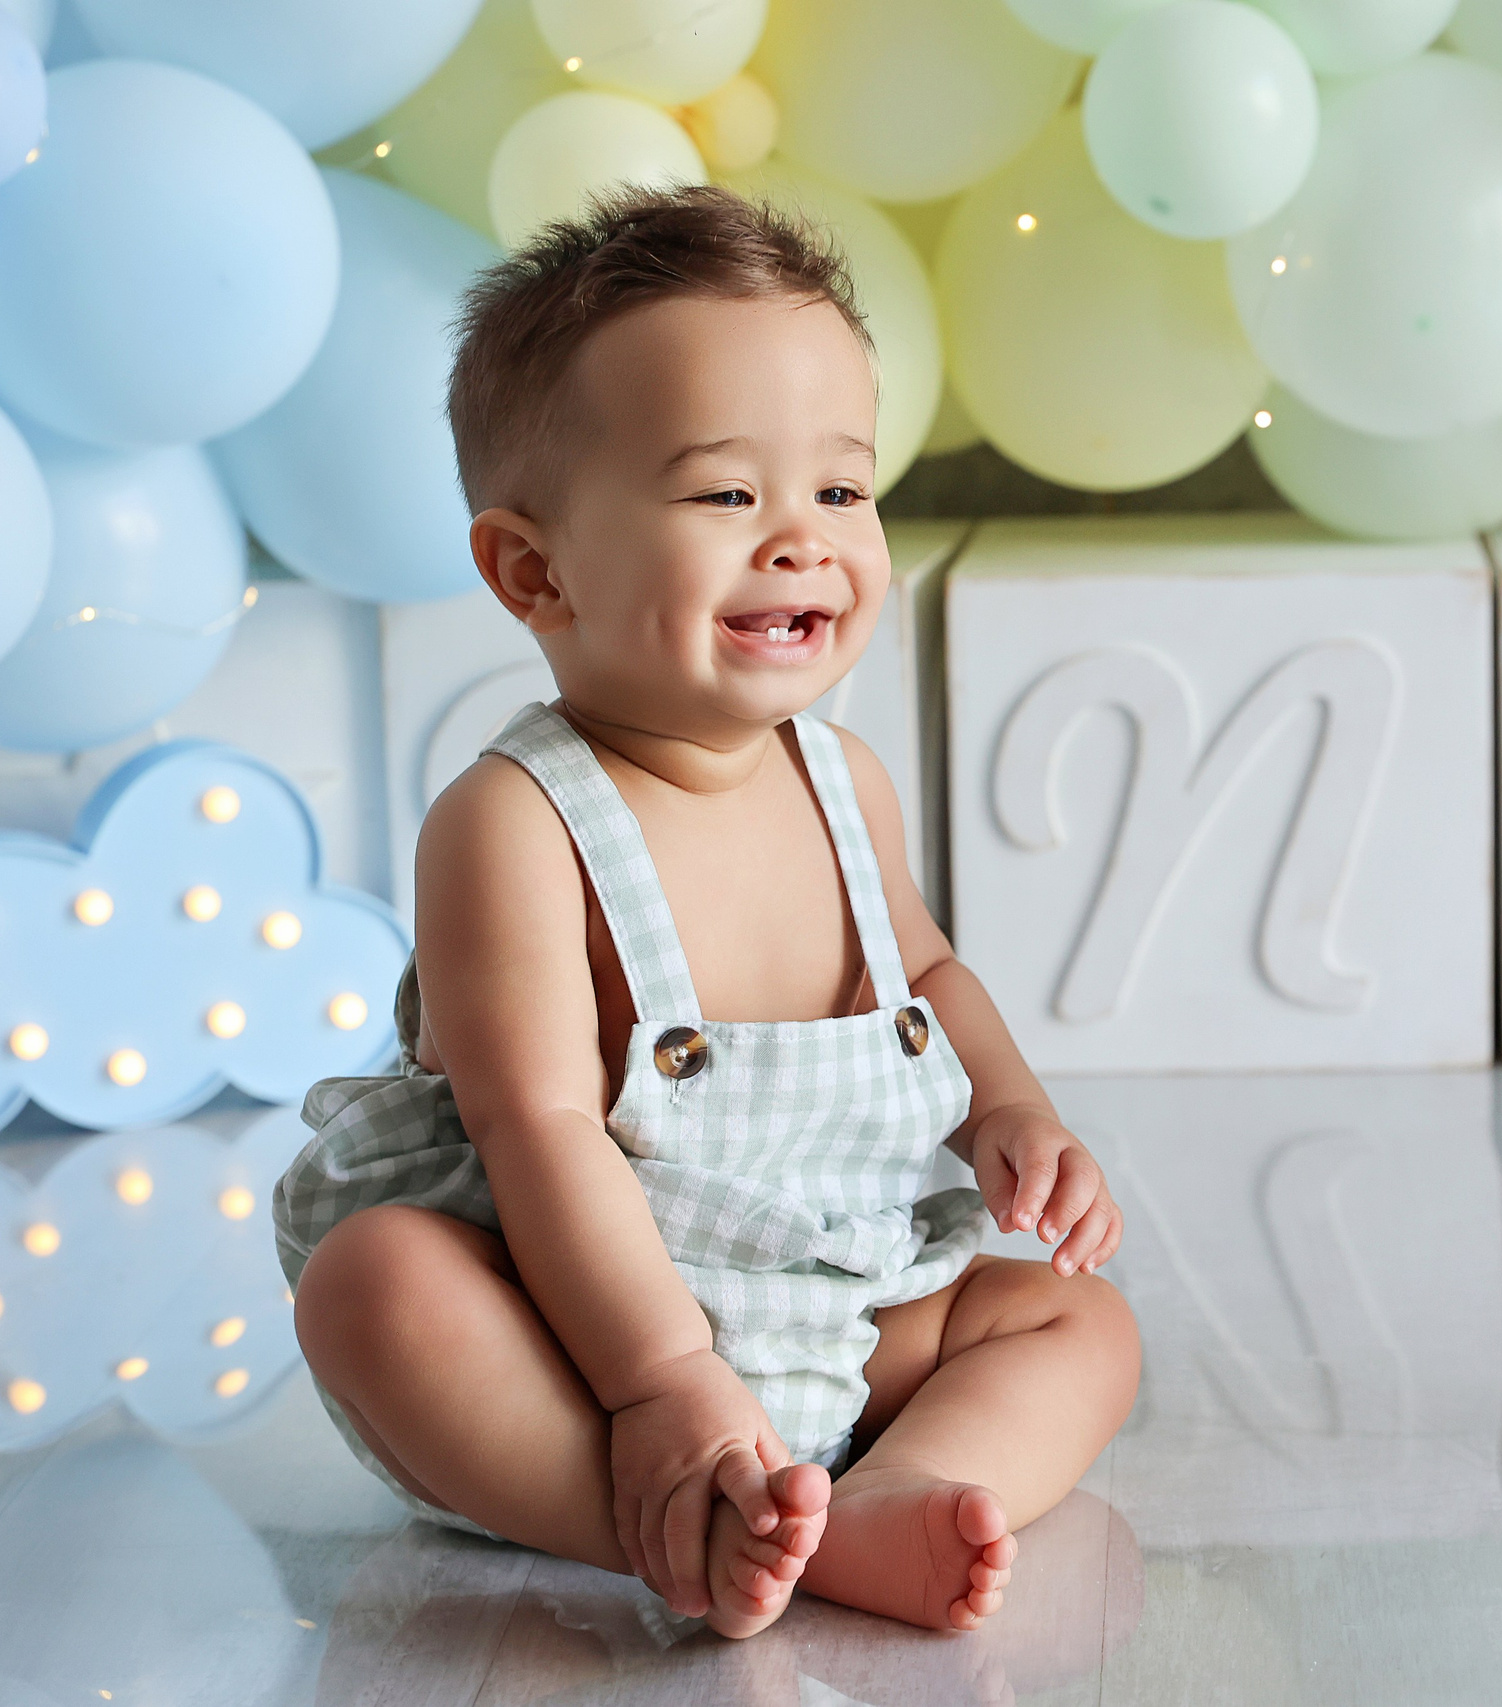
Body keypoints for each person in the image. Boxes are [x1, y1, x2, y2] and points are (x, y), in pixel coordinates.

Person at [273, 185, 1140, 1641]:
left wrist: (1013, 1111)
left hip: (844, 1303)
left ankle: (880, 1496)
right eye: (729, 496)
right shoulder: (514, 821)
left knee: (1078, 1328)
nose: (801, 542)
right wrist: (666, 1382)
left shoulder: (843, 779)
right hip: (584, 1341)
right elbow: (536, 1130)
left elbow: (923, 965)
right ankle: (657, 1519)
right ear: (533, 570)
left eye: (843, 492)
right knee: (378, 1292)